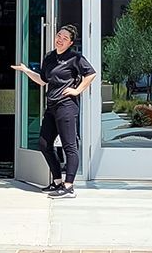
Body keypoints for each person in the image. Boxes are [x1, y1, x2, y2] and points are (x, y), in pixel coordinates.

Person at [12, 24, 96, 198]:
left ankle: (69, 186)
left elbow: (91, 74)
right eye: (59, 35)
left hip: (67, 106)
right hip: (51, 106)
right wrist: (26, 70)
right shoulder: (49, 57)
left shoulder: (75, 58)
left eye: (65, 38)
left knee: (69, 146)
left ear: (71, 42)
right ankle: (57, 182)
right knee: (44, 144)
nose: (60, 40)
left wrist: (77, 90)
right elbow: (43, 81)